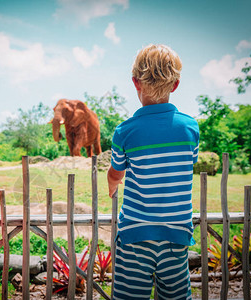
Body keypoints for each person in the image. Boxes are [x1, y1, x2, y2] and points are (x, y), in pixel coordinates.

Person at [107, 44, 199, 299]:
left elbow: (116, 173)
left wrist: (112, 185)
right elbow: (187, 163)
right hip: (176, 233)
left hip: (136, 232)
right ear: (176, 84)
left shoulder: (125, 131)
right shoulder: (190, 128)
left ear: (135, 82)